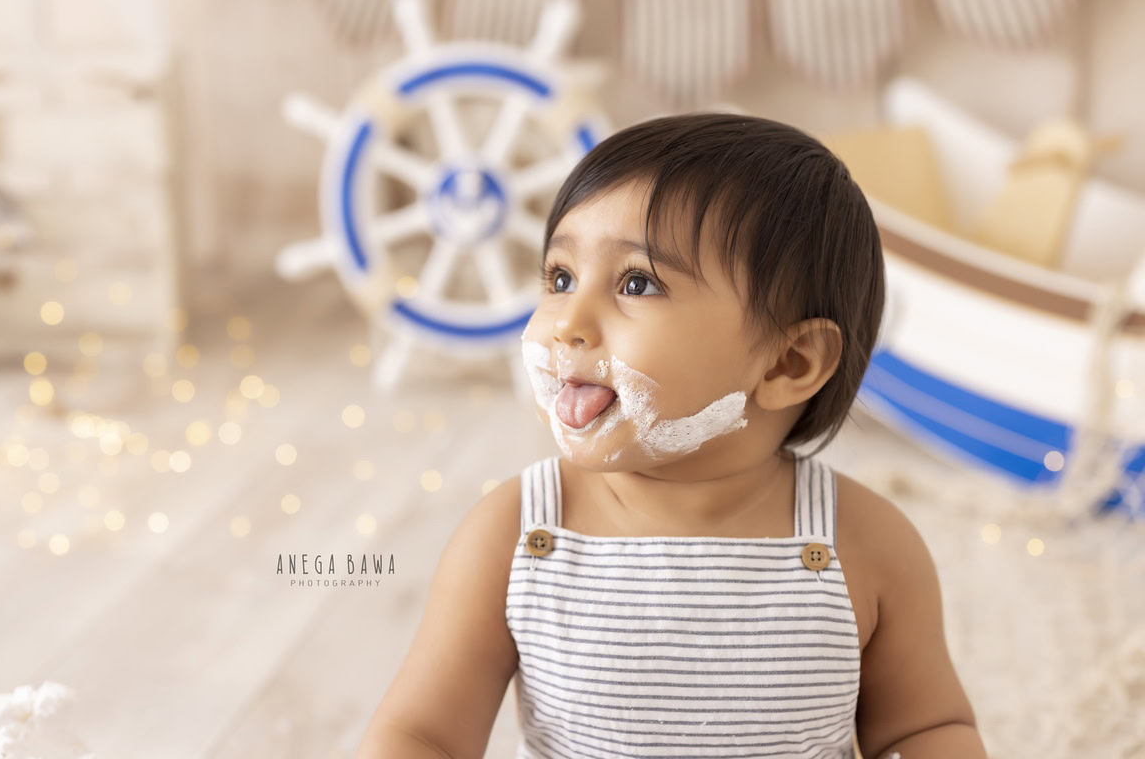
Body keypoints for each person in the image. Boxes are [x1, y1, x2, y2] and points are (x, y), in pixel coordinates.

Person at [357, 113, 986, 758]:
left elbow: (925, 729)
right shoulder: (515, 535)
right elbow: (423, 734)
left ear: (788, 364)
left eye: (637, 283)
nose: (568, 323)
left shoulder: (864, 544)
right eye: (561, 278)